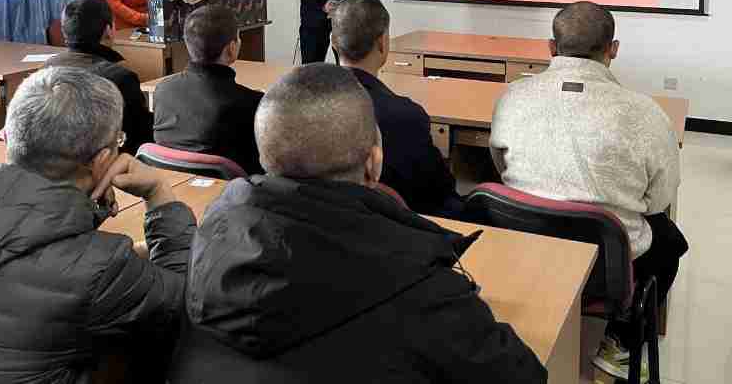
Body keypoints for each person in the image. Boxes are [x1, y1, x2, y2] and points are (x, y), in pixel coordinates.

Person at [168, 64, 546, 384]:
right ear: (374, 163)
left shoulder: (207, 241)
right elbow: (524, 375)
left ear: (264, 155)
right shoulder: (421, 287)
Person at [0, 67, 196, 384]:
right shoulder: (99, 267)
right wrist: (158, 193)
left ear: (8, 137)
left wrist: (86, 208)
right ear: (102, 160)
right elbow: (188, 302)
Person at [490, 1, 685, 382]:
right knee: (669, 240)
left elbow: (499, 164)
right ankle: (620, 344)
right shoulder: (646, 113)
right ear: (614, 49)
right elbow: (658, 200)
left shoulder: (512, 96)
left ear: (551, 47)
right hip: (607, 266)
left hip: (524, 244)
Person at [331, 0, 462, 216]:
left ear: (334, 43)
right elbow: (440, 189)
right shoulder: (405, 116)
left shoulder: (305, 107)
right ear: (382, 43)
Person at [153, 4, 264, 174]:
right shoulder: (249, 102)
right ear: (231, 48)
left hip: (172, 182)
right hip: (229, 188)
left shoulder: (162, 90)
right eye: (238, 37)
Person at [46, 0, 154, 153]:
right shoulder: (120, 78)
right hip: (107, 162)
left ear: (65, 31)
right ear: (108, 30)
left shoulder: (46, 69)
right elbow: (140, 135)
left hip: (56, 158)